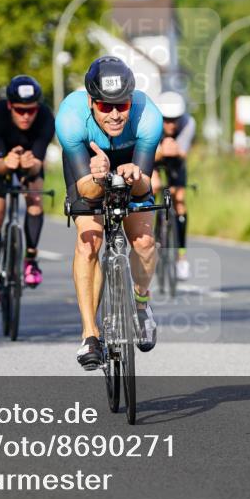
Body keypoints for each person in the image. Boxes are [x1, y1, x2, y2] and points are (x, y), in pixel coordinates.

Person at [55, 56, 163, 369]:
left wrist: (134, 174)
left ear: (132, 101)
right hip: (89, 168)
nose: (115, 115)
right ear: (91, 102)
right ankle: (90, 334)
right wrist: (99, 176)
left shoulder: (148, 116)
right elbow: (86, 192)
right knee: (89, 241)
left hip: (133, 161)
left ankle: (141, 305)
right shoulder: (70, 119)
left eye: (122, 105)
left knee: (143, 241)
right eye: (104, 107)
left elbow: (143, 189)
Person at [0, 76, 55, 308]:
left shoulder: (45, 117)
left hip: (30, 161)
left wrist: (29, 164)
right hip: (0, 160)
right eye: (20, 110)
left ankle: (30, 256)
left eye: (30, 110)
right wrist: (7, 162)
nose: (25, 116)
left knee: (35, 197)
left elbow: (38, 164)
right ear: (10, 106)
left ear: (37, 107)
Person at [151, 91, 196, 280]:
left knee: (179, 199)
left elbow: (182, 153)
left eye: (174, 120)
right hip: (154, 156)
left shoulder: (188, 123)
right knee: (153, 186)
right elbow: (148, 154)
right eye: (166, 120)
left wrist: (172, 149)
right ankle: (150, 239)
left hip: (176, 159)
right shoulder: (152, 122)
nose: (170, 124)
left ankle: (181, 257)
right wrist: (161, 151)